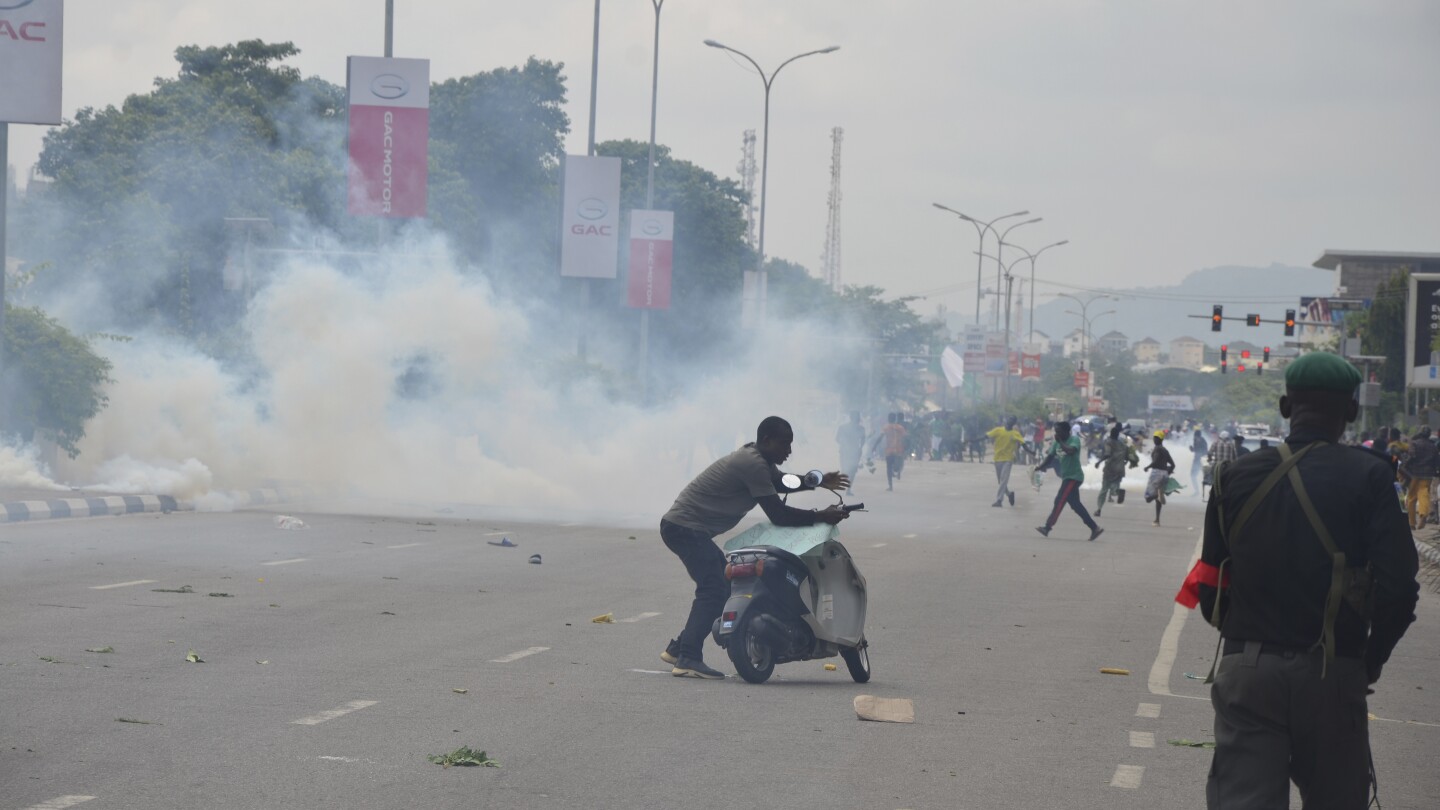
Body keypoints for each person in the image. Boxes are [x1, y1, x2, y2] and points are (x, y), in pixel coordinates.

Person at [1178, 352, 1419, 809]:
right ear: (1350, 412)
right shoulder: (1371, 477)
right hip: (1334, 672)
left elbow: (1209, 585)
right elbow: (1400, 588)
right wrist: (1369, 659)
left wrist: (1246, 641)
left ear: (1286, 406)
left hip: (1248, 671)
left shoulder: (1234, 476)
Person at [659, 416, 850, 679]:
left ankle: (679, 647)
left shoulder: (760, 460)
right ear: (766, 440)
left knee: (720, 587)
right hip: (684, 528)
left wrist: (814, 480)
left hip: (686, 529)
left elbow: (782, 482)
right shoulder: (752, 464)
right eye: (784, 444)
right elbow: (779, 515)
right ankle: (688, 656)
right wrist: (820, 516)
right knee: (715, 588)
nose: (789, 451)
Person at [1034, 421, 1104, 541]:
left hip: (1074, 477)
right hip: (1067, 477)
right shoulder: (1056, 443)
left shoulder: (1074, 440)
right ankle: (1094, 528)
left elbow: (1071, 451)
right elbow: (1050, 457)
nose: (1057, 434)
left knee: (1059, 500)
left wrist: (1060, 442)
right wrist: (1040, 467)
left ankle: (1047, 527)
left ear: (1067, 431)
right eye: (1056, 432)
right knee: (1075, 505)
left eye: (1059, 431)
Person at [1093, 424, 1135, 517]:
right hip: (1120, 469)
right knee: (1114, 487)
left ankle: (1099, 509)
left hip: (1110, 468)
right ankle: (1118, 491)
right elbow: (1128, 457)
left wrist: (1099, 462)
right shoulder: (1123, 444)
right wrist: (1124, 463)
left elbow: (1107, 454)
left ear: (1111, 434)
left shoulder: (1109, 442)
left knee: (1104, 490)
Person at [1402, 427, 1437, 530]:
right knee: (1424, 493)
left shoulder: (1414, 443)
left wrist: (1404, 466)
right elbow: (1436, 461)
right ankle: (1423, 513)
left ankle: (1411, 523)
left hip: (1414, 473)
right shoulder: (1433, 446)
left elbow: (1410, 456)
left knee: (1412, 498)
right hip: (1428, 474)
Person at [987, 416, 1026, 507]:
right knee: (1000, 482)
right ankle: (1009, 494)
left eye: (1012, 420)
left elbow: (1023, 444)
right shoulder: (998, 430)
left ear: (1014, 423)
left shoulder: (1015, 433)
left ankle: (999, 500)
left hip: (1008, 460)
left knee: (1003, 481)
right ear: (1006, 420)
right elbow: (986, 436)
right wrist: (972, 441)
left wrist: (1030, 451)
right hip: (997, 459)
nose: (1010, 421)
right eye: (1009, 419)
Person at [1144, 429, 1176, 526]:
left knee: (1148, 497)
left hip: (1156, 473)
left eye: (1155, 437)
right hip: (1164, 474)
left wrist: (1148, 467)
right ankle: (1157, 520)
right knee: (1158, 499)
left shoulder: (1157, 449)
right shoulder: (1165, 450)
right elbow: (1173, 465)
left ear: (1158, 439)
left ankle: (1157, 495)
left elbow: (1156, 461)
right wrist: (1167, 472)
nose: (1153, 438)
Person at [835, 412, 866, 495]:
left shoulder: (843, 427)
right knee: (851, 470)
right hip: (853, 451)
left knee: (848, 469)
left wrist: (844, 444)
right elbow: (863, 440)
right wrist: (859, 448)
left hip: (846, 451)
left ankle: (847, 487)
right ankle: (848, 489)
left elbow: (837, 439)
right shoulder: (860, 428)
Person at [877, 412, 907, 491]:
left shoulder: (886, 427)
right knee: (898, 466)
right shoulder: (900, 427)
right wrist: (907, 447)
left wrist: (874, 446)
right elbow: (905, 438)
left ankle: (890, 486)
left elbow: (880, 437)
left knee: (889, 468)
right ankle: (898, 472)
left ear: (888, 419)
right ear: (895, 419)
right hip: (899, 450)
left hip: (889, 450)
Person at [1190, 428, 1209, 497]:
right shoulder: (1200, 440)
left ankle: (1198, 491)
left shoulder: (1199, 440)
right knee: (1205, 476)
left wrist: (1193, 450)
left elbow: (1203, 450)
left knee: (1193, 475)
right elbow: (1199, 450)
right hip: (1201, 460)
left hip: (1199, 460)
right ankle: (1200, 491)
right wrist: (1193, 449)